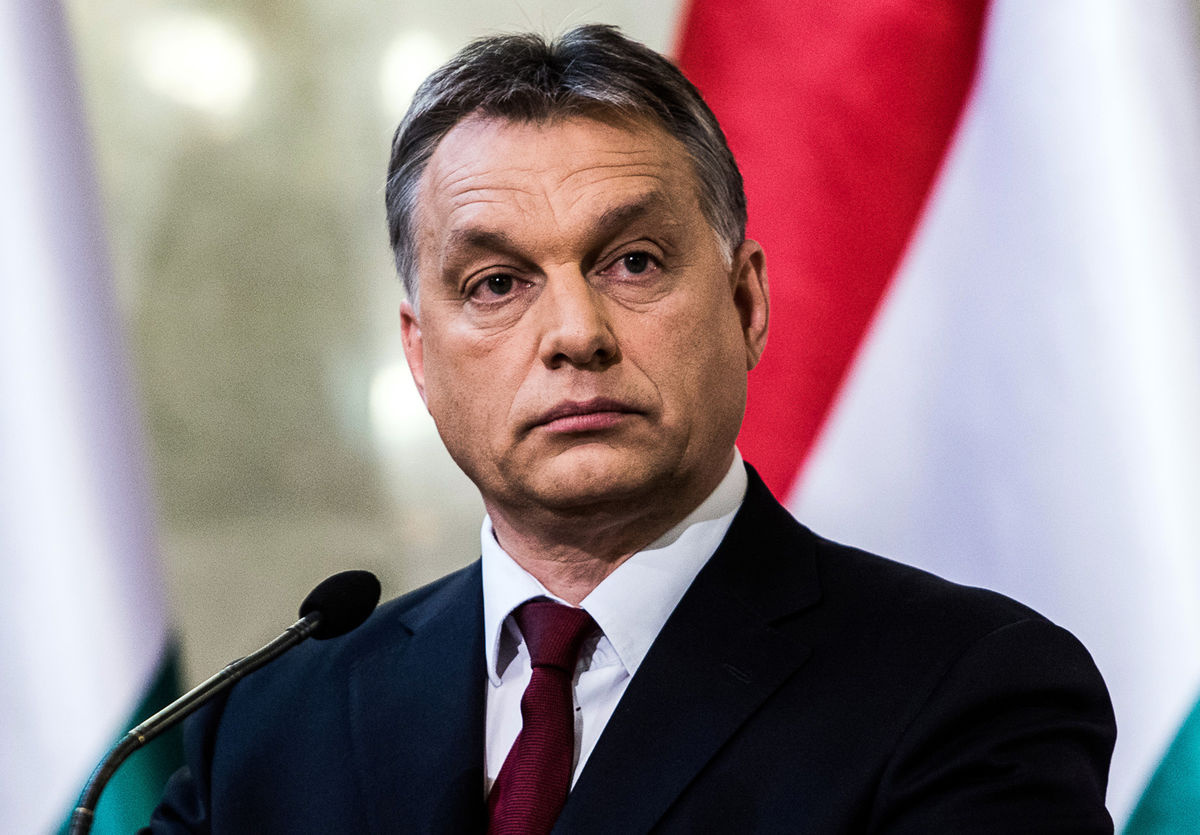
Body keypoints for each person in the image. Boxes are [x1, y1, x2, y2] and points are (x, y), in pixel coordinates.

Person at [146, 24, 1115, 833]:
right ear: (421, 356)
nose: (576, 334)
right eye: (496, 283)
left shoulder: (968, 690)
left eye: (634, 262)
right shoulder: (274, 721)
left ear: (746, 304)